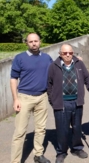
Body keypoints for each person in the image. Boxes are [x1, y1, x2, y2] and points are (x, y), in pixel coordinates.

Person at [47, 44, 89, 163]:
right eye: (65, 53)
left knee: (77, 127)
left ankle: (77, 148)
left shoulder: (79, 64)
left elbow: (87, 78)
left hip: (77, 102)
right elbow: (49, 85)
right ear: (60, 54)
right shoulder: (53, 66)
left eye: (70, 52)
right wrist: (53, 101)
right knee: (62, 129)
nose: (68, 55)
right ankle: (61, 152)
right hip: (62, 103)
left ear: (73, 53)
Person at [10, 33, 52, 163]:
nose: (34, 43)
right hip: (24, 98)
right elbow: (13, 79)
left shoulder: (47, 58)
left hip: (42, 97)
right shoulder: (20, 58)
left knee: (40, 128)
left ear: (40, 42)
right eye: (31, 41)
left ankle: (38, 154)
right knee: (20, 132)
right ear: (26, 43)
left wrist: (75, 59)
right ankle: (15, 161)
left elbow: (56, 71)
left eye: (36, 41)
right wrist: (15, 99)